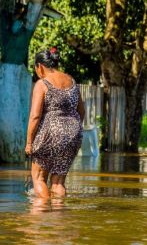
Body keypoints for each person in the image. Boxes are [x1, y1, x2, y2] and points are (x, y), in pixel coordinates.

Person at [25, 47, 85, 199]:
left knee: (38, 178)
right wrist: (71, 130)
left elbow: (35, 116)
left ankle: (41, 214)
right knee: (58, 183)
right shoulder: (72, 81)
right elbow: (81, 111)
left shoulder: (42, 84)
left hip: (50, 133)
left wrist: (29, 143)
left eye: (35, 68)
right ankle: (58, 219)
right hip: (73, 133)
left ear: (40, 66)